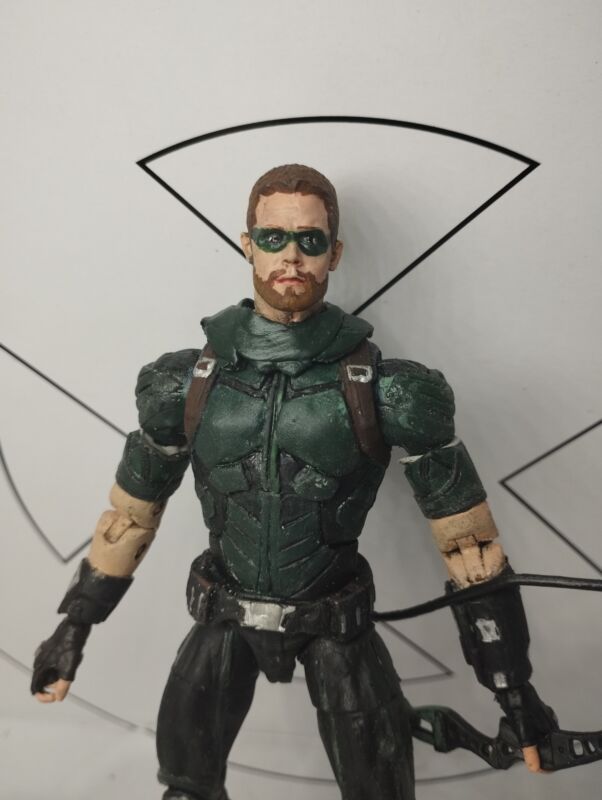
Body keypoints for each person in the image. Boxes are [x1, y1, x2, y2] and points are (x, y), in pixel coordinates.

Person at [32, 164, 554, 800]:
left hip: (337, 628)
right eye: (273, 237)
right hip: (223, 620)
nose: (291, 256)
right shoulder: (185, 382)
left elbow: (469, 544)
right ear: (247, 244)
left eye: (310, 240)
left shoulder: (390, 390)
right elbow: (130, 514)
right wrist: (74, 625)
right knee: (186, 785)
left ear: (335, 252)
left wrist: (513, 689)